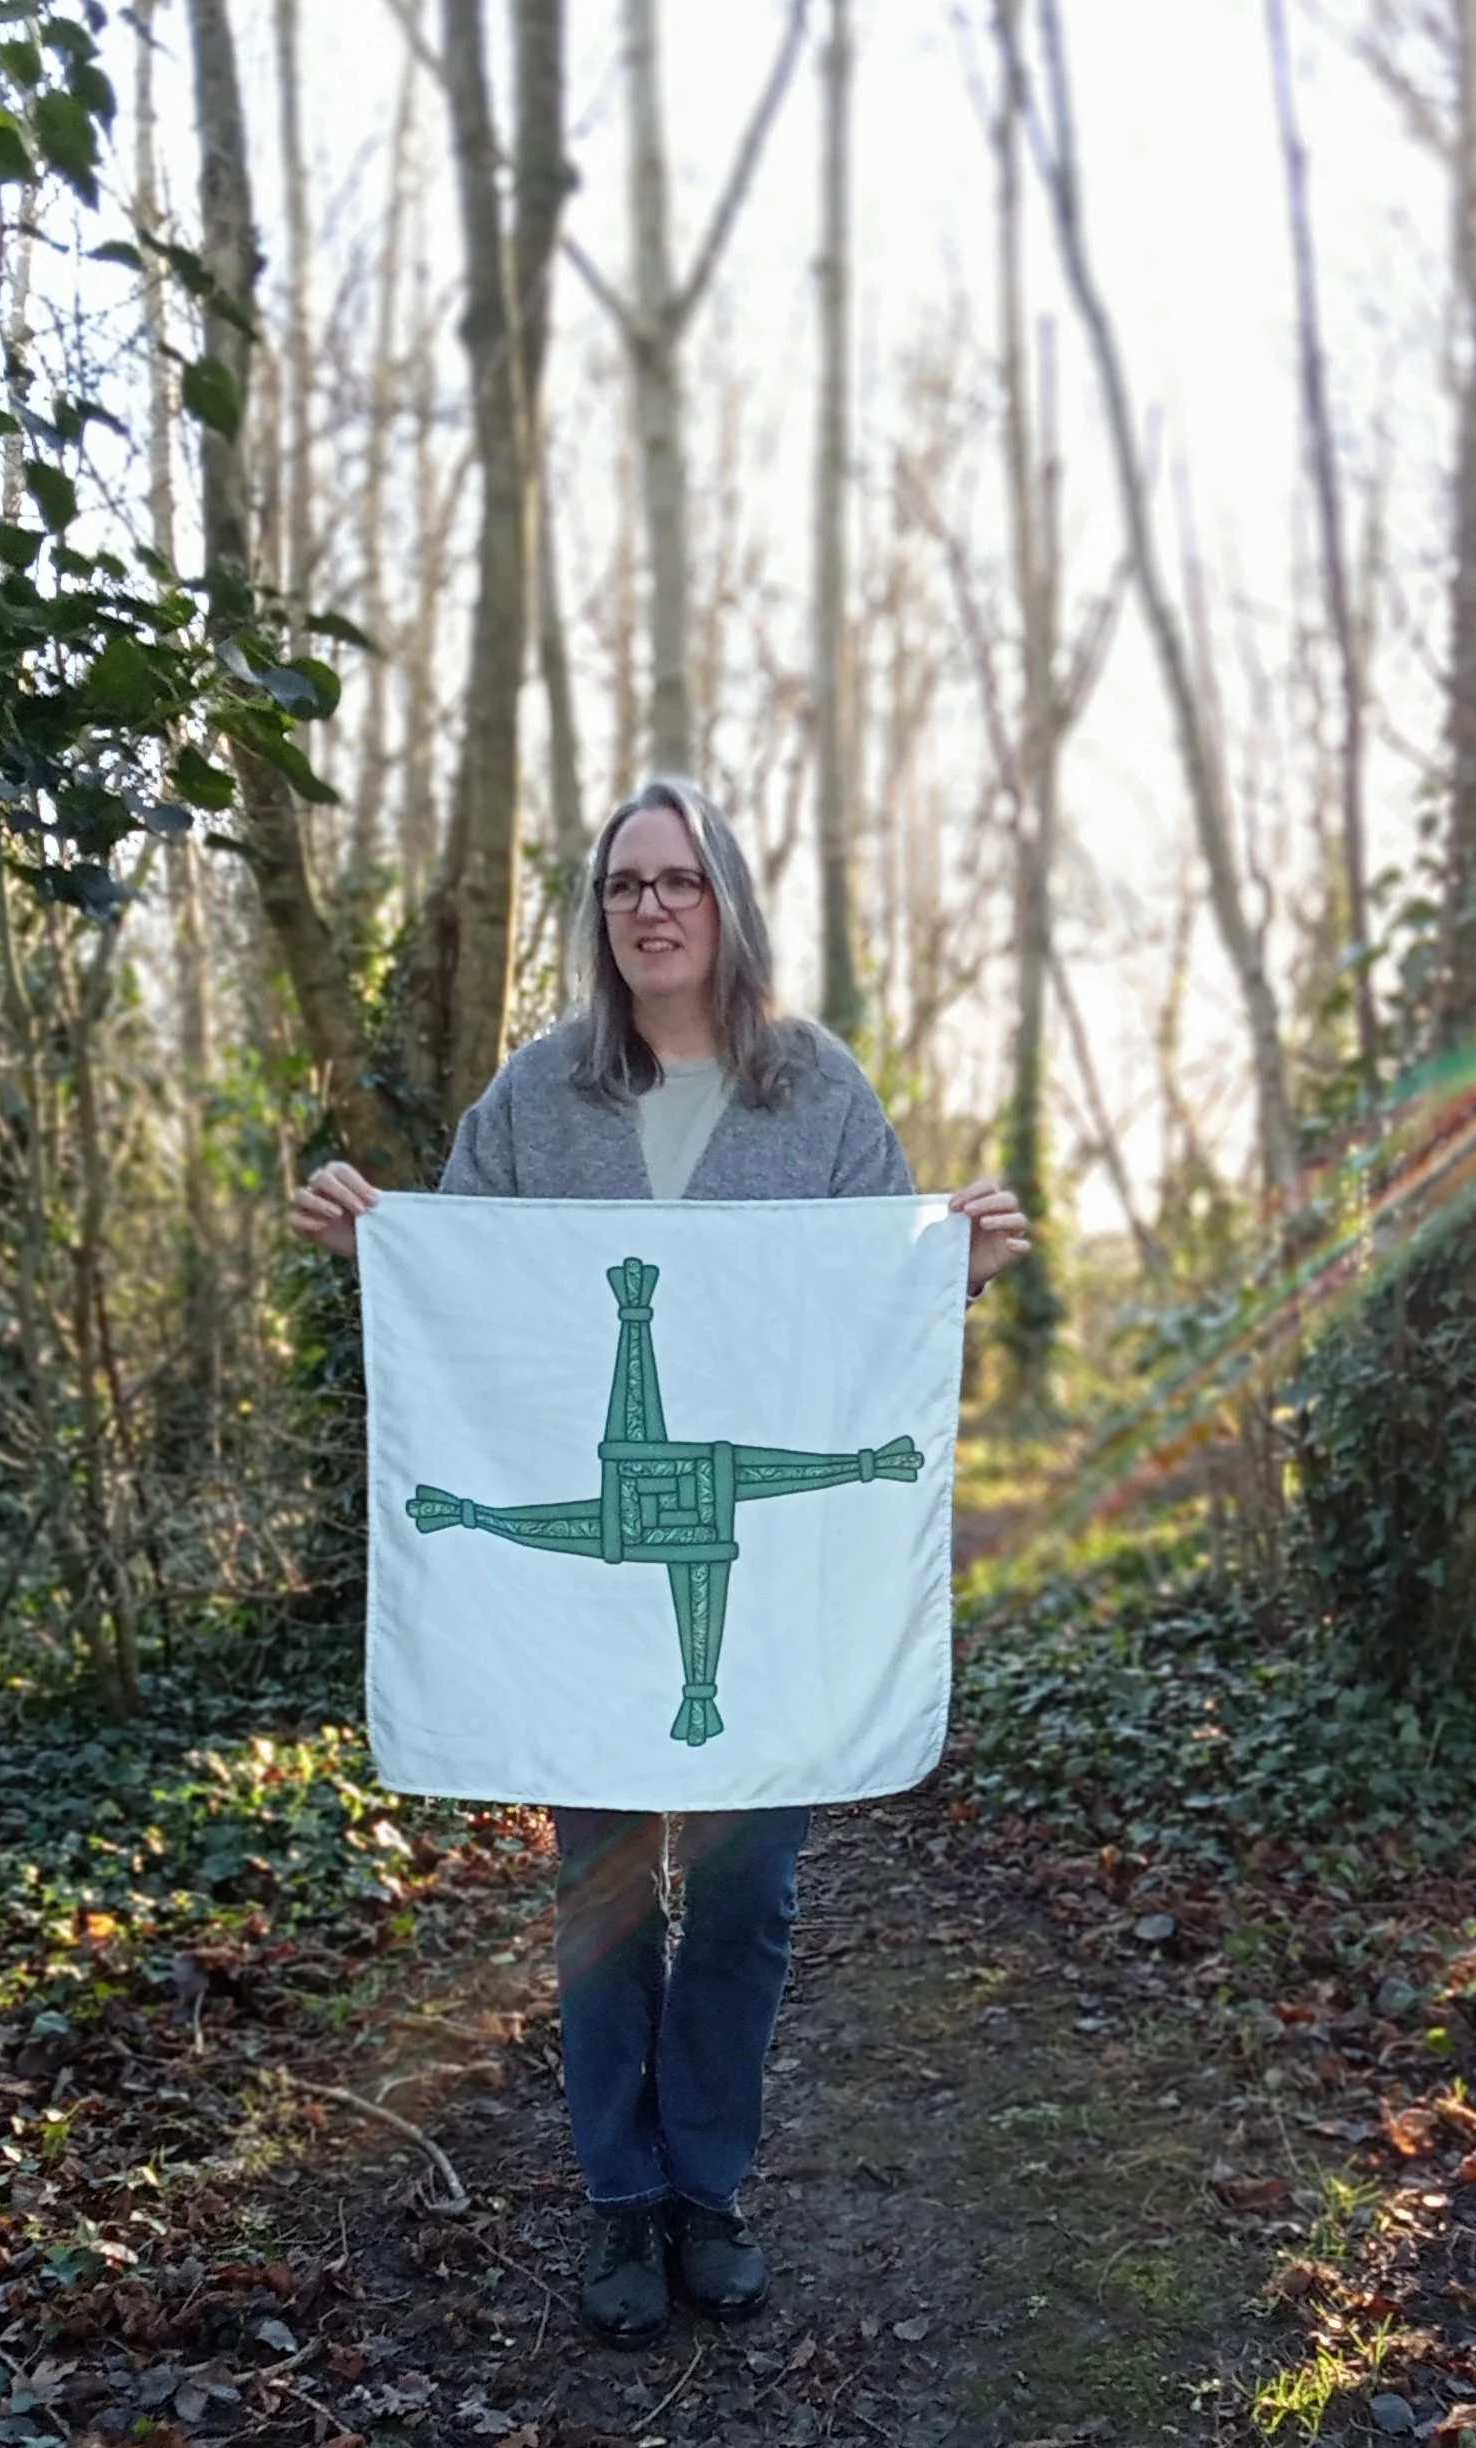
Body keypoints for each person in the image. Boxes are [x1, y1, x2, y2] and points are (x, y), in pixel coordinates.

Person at [289, 778, 1030, 2346]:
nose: (650, 906)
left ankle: (707, 2183)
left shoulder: (815, 1093)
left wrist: (947, 1273)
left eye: (678, 879)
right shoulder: (541, 1098)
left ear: (727, 899)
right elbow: (473, 1293)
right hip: (590, 1593)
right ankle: (621, 2207)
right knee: (607, 1896)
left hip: (767, 1597)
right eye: (624, 882)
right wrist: (381, 1243)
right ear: (599, 910)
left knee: (749, 1892)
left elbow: (856, 1327)